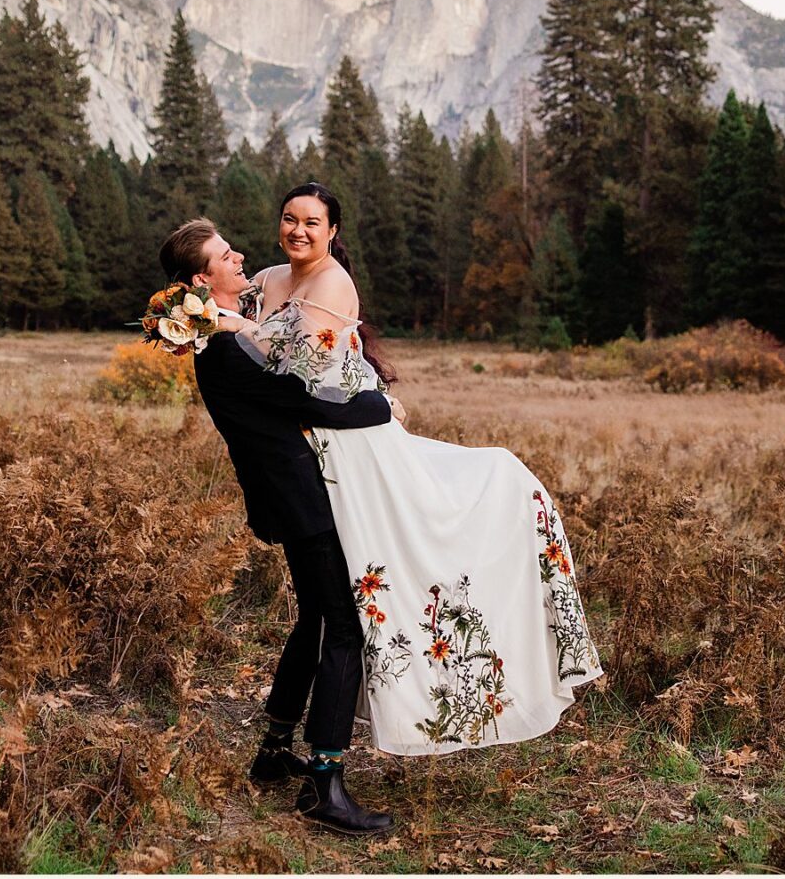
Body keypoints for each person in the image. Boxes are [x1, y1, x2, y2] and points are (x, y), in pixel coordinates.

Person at [218, 182, 603, 758]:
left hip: (350, 445)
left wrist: (234, 327)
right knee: (327, 608)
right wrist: (201, 313)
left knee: (397, 566)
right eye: (289, 218)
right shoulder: (270, 279)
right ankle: (282, 751)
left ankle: (336, 746)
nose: (298, 230)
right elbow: (221, 299)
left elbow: (304, 372)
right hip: (308, 454)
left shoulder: (332, 285)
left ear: (333, 232)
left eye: (312, 223)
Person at [159, 219, 397, 836]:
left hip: (287, 496)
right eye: (222, 255)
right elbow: (308, 402)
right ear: (200, 280)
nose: (238, 255)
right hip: (300, 501)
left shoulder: (226, 334)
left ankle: (271, 752)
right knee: (343, 624)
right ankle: (325, 783)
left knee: (315, 617)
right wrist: (379, 404)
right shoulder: (227, 348)